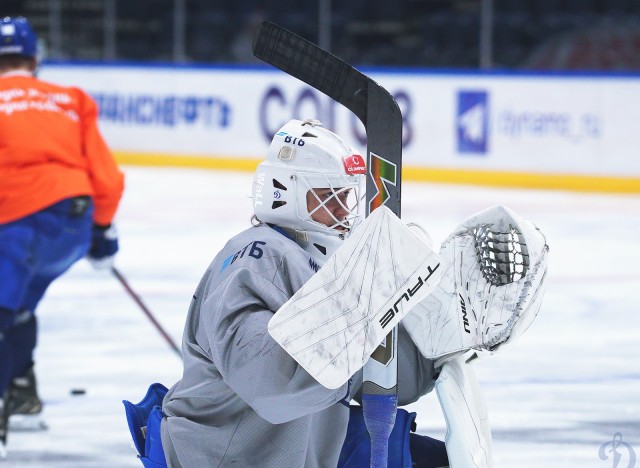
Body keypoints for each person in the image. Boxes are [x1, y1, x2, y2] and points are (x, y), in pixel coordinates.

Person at [124, 119, 449, 467]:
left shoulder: (322, 265)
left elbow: (380, 373)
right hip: (228, 457)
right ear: (285, 192)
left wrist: (445, 336)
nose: (343, 211)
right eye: (328, 198)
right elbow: (275, 386)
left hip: (292, 446)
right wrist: (363, 308)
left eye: (346, 197)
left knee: (435, 460)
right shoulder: (253, 263)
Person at [0, 16, 125, 449]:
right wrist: (103, 232)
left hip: (15, 223)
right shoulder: (71, 99)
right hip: (72, 223)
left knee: (4, 309)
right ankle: (22, 395)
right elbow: (108, 179)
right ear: (35, 59)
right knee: (15, 307)